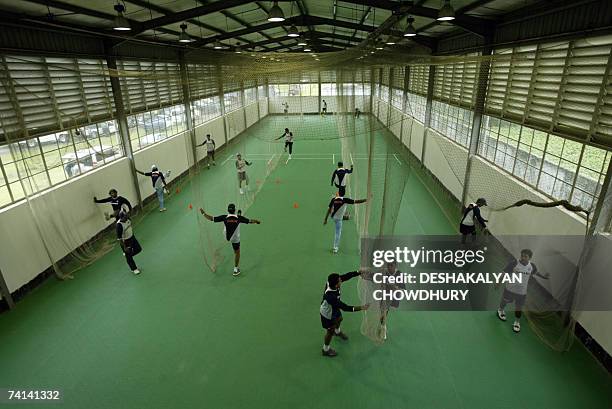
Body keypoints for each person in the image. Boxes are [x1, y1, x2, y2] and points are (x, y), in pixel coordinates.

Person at [199, 204, 261, 276]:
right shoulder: (239, 218)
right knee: (237, 253)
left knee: (231, 225)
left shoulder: (224, 217)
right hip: (235, 239)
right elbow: (250, 221)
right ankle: (235, 269)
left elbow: (211, 218)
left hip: (226, 236)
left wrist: (203, 213)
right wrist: (257, 221)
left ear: (228, 210)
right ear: (234, 210)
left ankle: (236, 221)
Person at [497, 249, 549, 333]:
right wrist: (498, 282)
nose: (523, 258)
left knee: (519, 307)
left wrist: (544, 277)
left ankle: (517, 322)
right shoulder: (514, 263)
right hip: (510, 289)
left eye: (525, 256)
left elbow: (536, 272)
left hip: (521, 292)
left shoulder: (532, 266)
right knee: (505, 300)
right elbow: (504, 273)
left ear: (530, 258)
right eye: (522, 255)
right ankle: (500, 310)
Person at [320, 271, 369, 357]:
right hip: (327, 314)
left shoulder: (330, 282)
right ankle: (325, 349)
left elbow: (345, 276)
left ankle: (337, 332)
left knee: (339, 319)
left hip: (334, 309)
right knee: (330, 331)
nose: (341, 280)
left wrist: (358, 272)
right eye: (339, 281)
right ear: (336, 285)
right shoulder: (331, 297)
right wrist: (361, 307)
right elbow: (345, 308)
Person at [116, 211, 142, 275]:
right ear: (122, 217)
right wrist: (124, 247)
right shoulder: (119, 225)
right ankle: (134, 269)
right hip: (125, 241)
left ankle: (129, 256)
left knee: (138, 249)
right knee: (128, 256)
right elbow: (120, 239)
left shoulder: (128, 219)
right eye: (126, 216)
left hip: (132, 237)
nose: (127, 216)